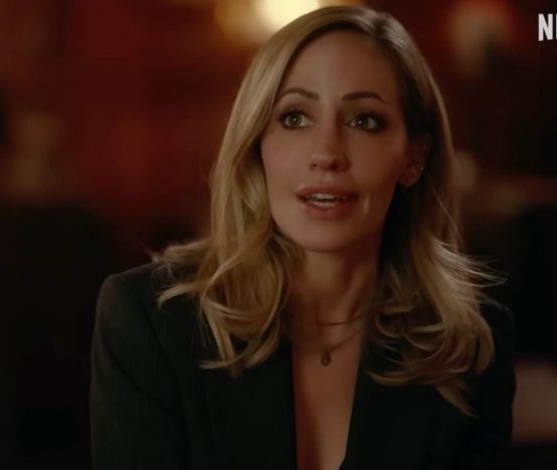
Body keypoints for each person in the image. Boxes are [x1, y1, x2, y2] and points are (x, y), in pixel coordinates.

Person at [90, 6, 515, 470]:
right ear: (257, 143)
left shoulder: (469, 345)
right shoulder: (149, 324)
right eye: (294, 118)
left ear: (414, 157)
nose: (326, 153)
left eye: (364, 121)